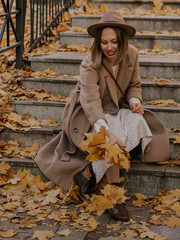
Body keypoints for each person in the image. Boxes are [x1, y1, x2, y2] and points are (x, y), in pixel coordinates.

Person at [35, 11, 170, 221]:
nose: (109, 47)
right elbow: (90, 101)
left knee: (138, 121)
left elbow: (134, 85)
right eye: (104, 42)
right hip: (89, 114)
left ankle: (89, 173)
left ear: (122, 40)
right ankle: (114, 195)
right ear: (98, 42)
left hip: (117, 107)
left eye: (114, 41)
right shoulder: (90, 62)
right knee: (113, 135)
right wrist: (105, 131)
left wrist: (135, 101)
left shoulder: (132, 54)